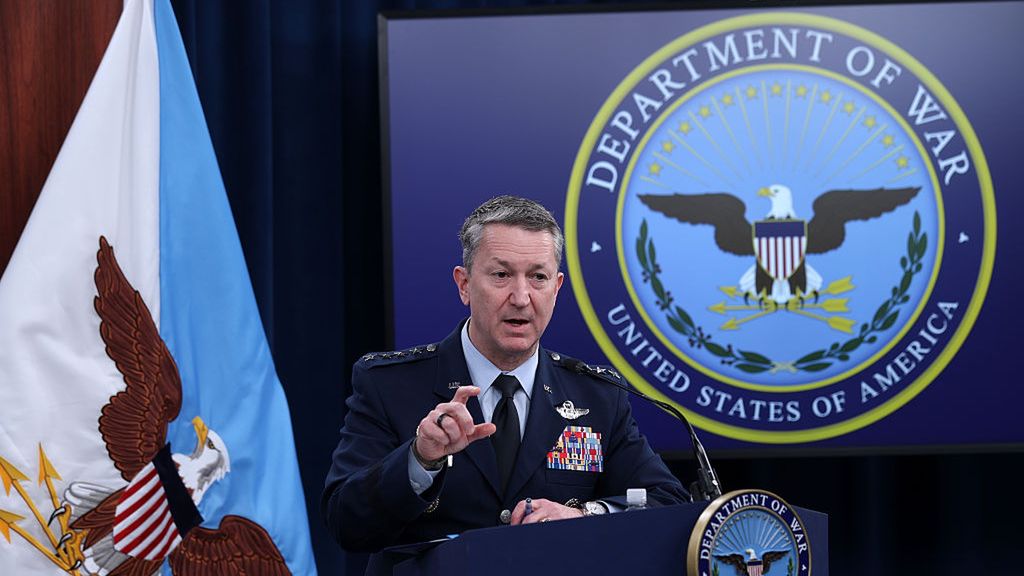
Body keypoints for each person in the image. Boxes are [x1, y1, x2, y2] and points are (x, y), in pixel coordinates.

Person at [322, 196, 688, 565]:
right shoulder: (389, 385)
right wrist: (420, 458)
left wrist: (583, 516)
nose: (521, 297)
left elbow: (666, 501)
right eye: (501, 275)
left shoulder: (597, 395)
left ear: (557, 287)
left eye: (538, 277)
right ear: (464, 284)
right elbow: (345, 523)